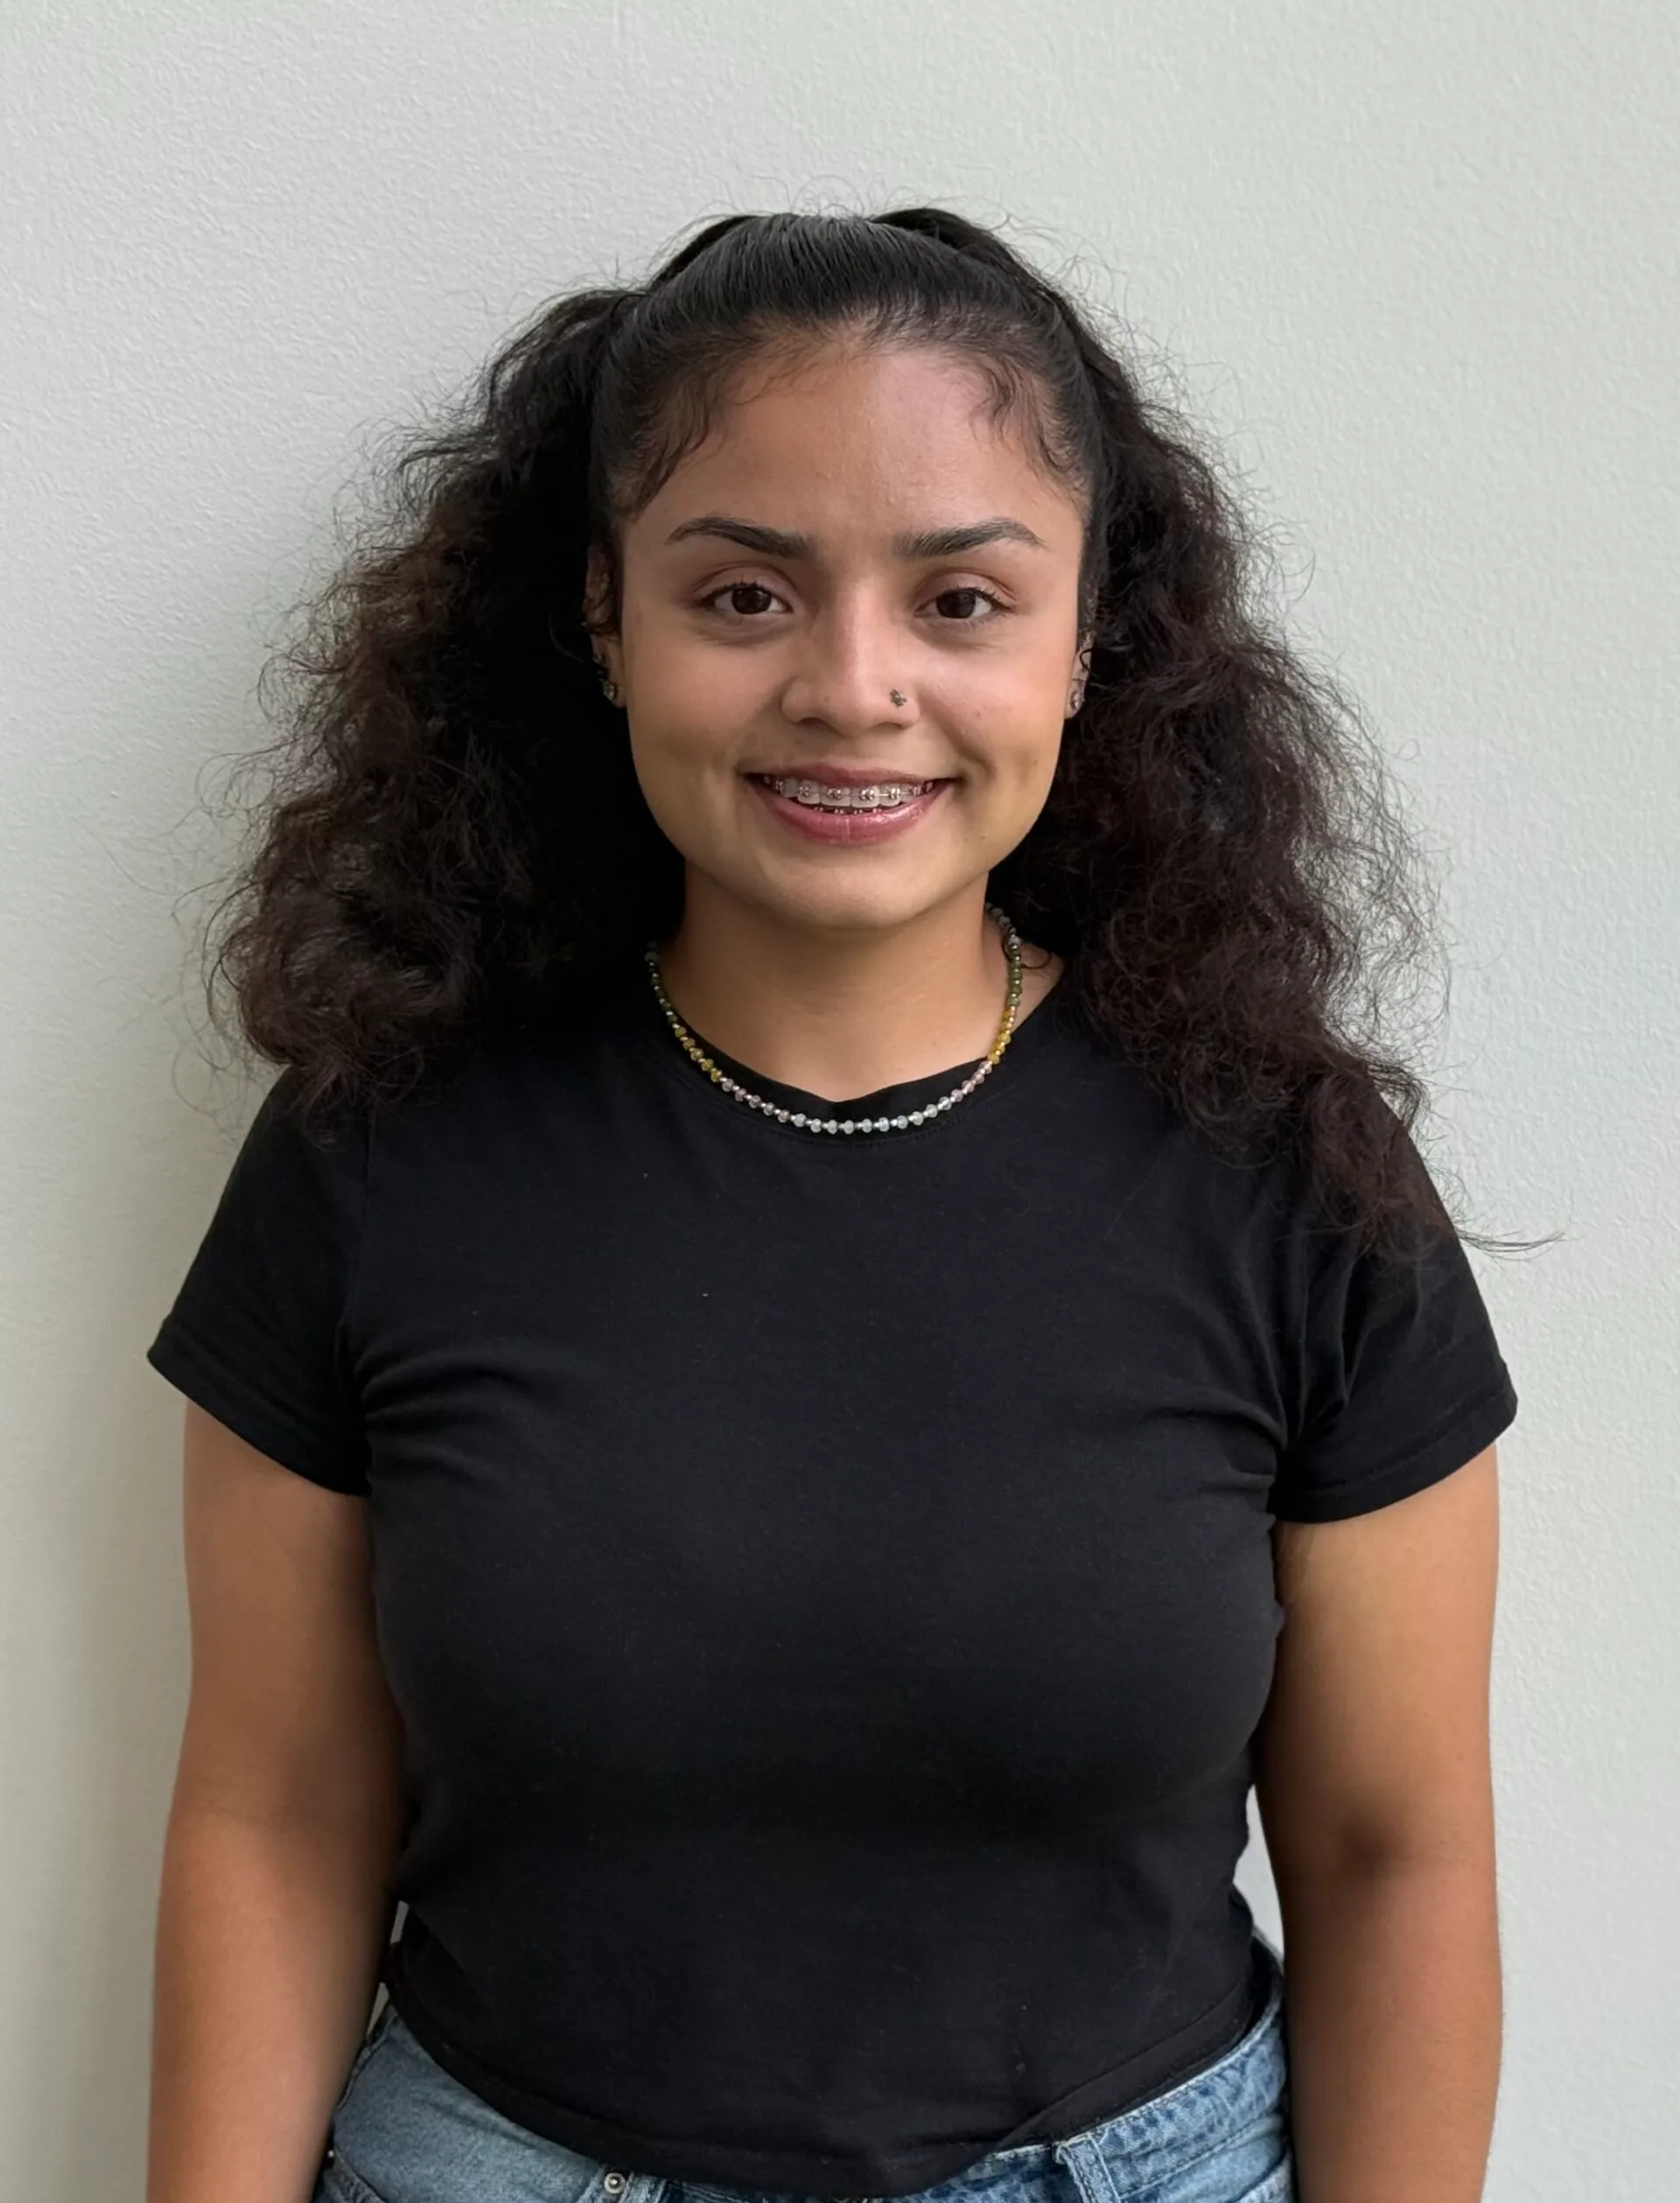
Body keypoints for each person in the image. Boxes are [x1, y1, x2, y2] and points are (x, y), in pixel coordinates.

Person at [144, 206, 1522, 2203]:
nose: (855, 686)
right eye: (744, 594)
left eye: (961, 599)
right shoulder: (376, 1145)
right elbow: (274, 1817)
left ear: (1086, 634)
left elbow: (1400, 1854)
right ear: (606, 619)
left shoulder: (1293, 1174)